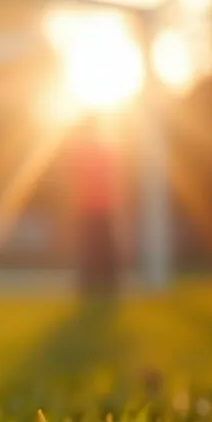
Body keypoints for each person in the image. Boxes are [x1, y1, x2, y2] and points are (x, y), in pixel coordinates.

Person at [67, 112, 125, 297]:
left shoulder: (102, 151)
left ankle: (105, 283)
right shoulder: (86, 152)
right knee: (90, 248)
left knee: (102, 248)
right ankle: (92, 283)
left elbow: (114, 180)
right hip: (88, 209)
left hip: (102, 208)